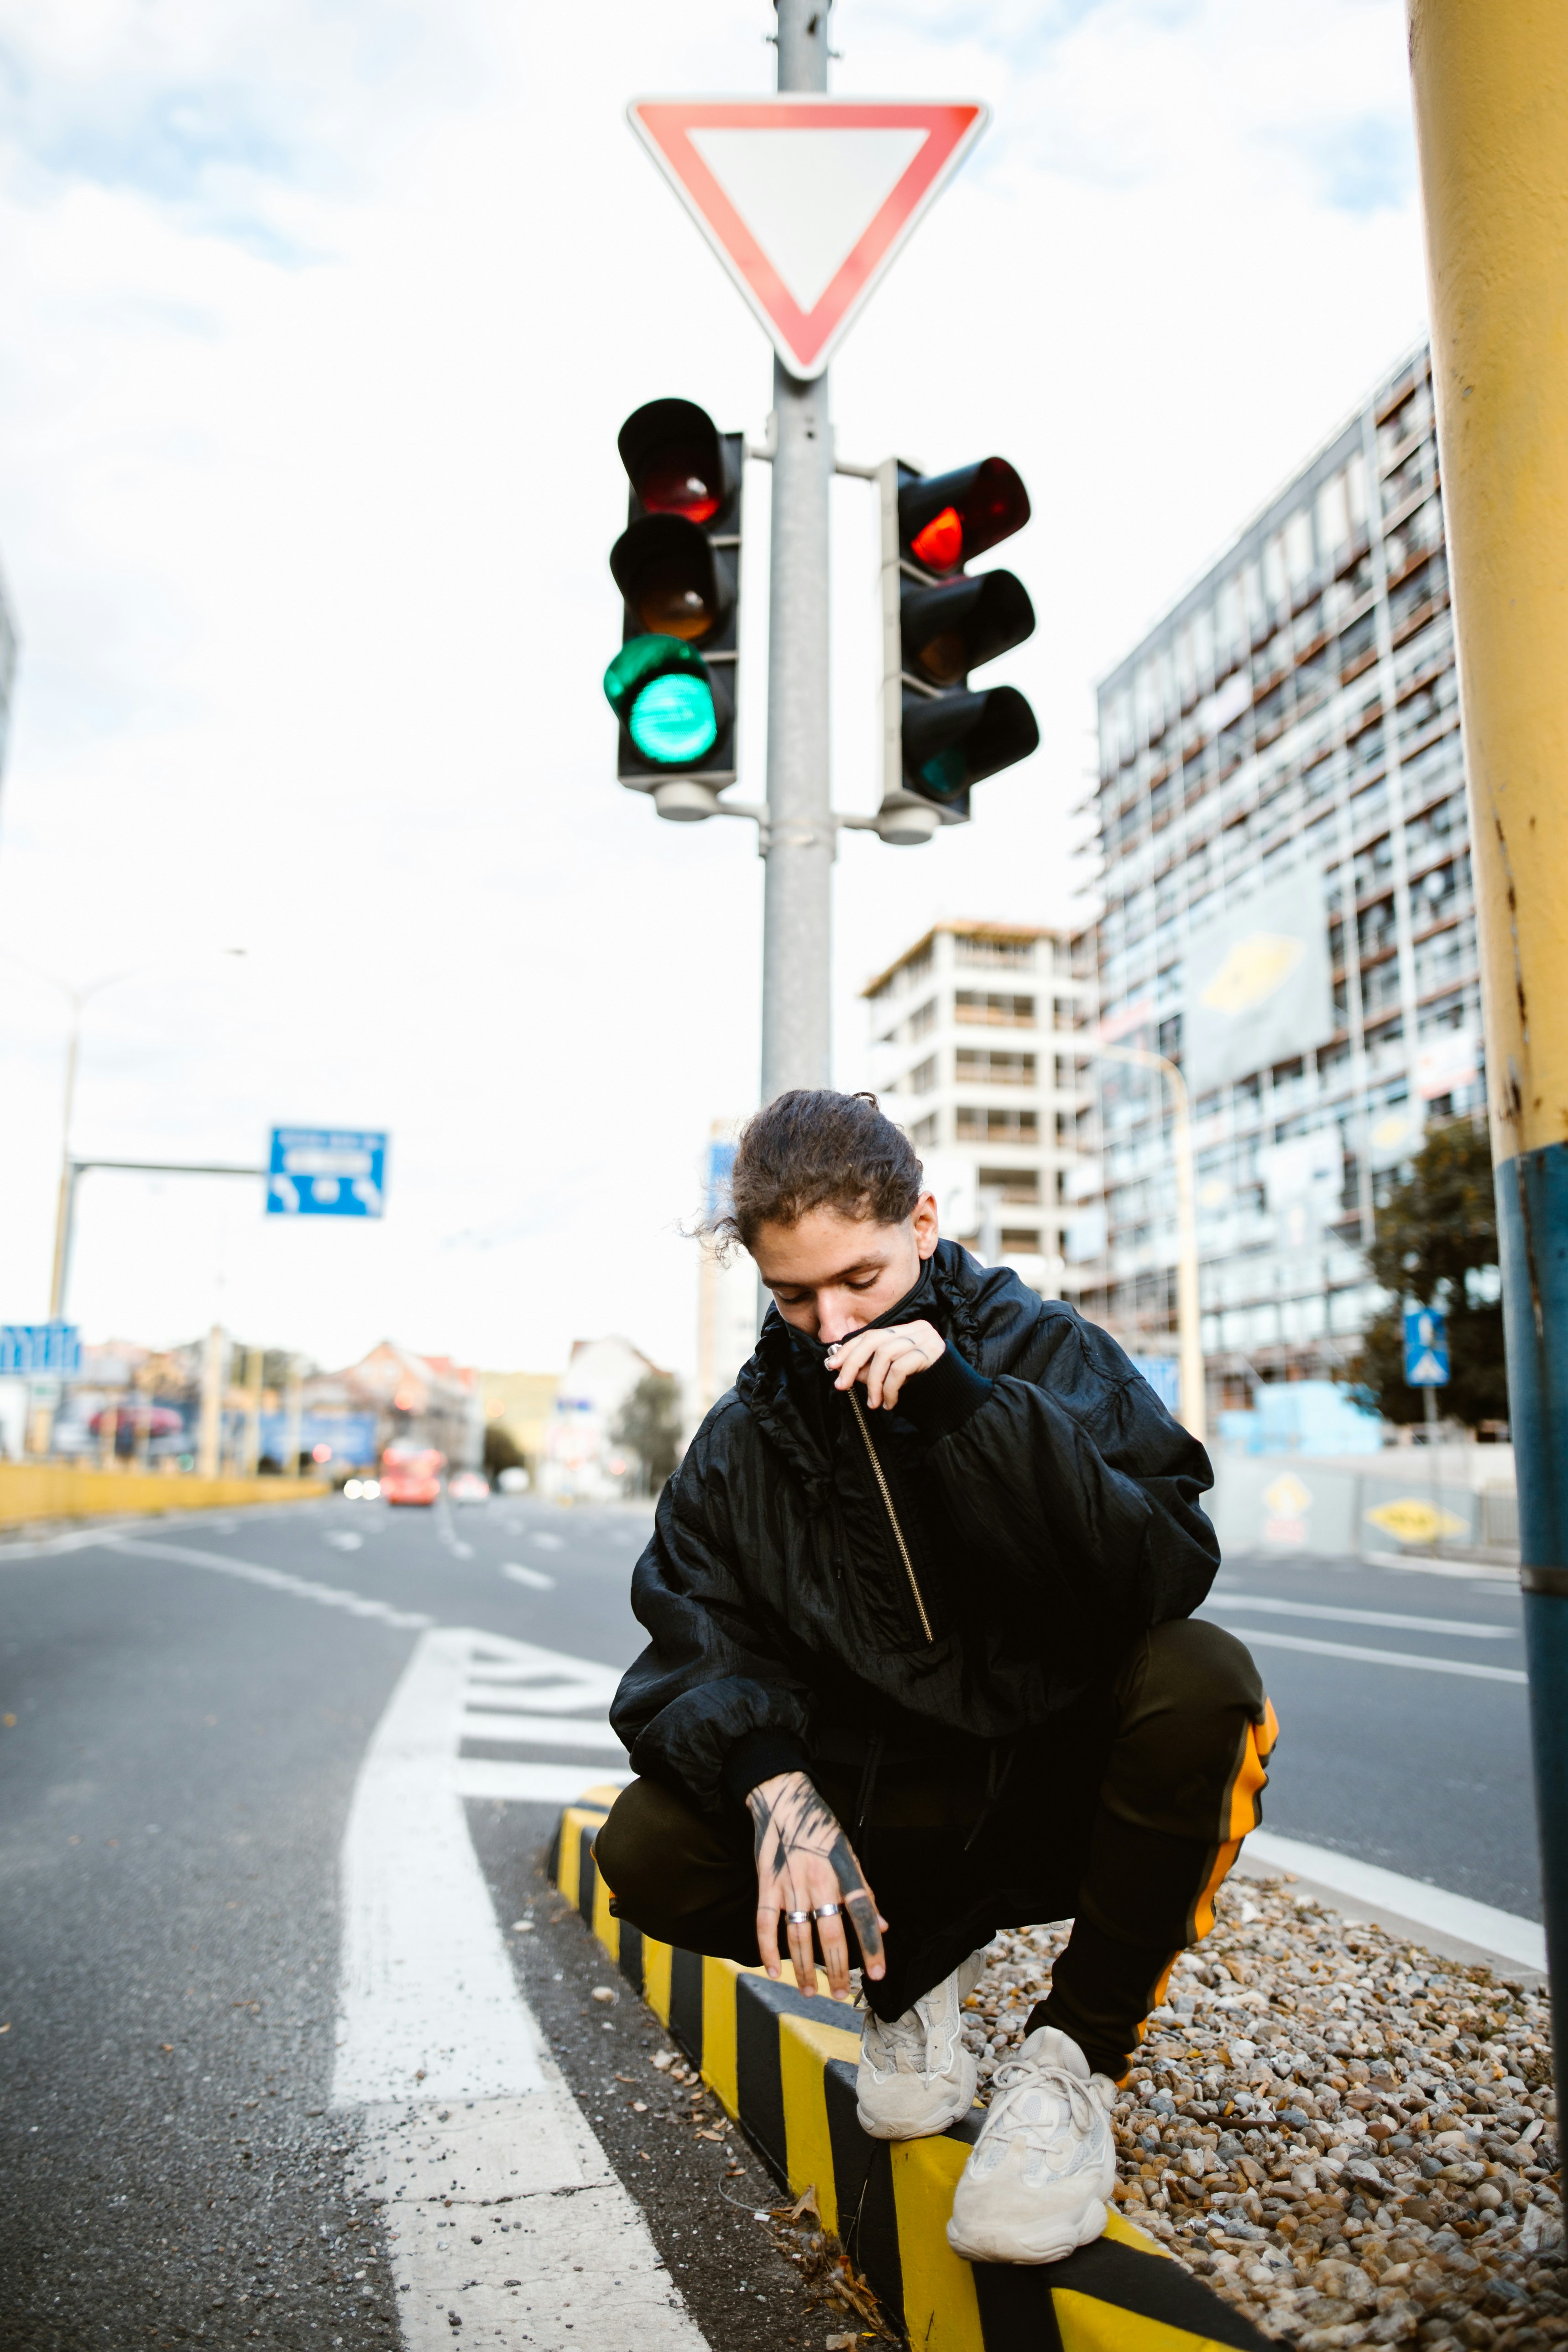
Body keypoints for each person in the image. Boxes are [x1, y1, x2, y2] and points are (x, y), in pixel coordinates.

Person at [596, 1090, 1275, 2266]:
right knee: (648, 1848)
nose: (829, 1321)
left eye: (859, 1279)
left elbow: (1162, 1566)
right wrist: (771, 1785)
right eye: (792, 1294)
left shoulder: (1047, 1352)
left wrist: (973, 1408)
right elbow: (693, 1633)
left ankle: (1072, 2068)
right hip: (890, 1803)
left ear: (922, 1222)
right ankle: (909, 1981)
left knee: (1204, 1680)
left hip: (1049, 1783)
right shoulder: (742, 1437)